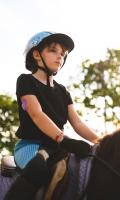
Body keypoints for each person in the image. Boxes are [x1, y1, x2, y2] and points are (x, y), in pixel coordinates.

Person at [4, 31, 99, 200]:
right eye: (53, 51)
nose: (59, 57)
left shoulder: (63, 91)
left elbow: (77, 123)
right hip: (31, 146)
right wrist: (63, 139)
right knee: (38, 168)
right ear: (36, 54)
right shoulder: (25, 81)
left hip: (58, 147)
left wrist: (101, 142)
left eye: (63, 54)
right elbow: (36, 114)